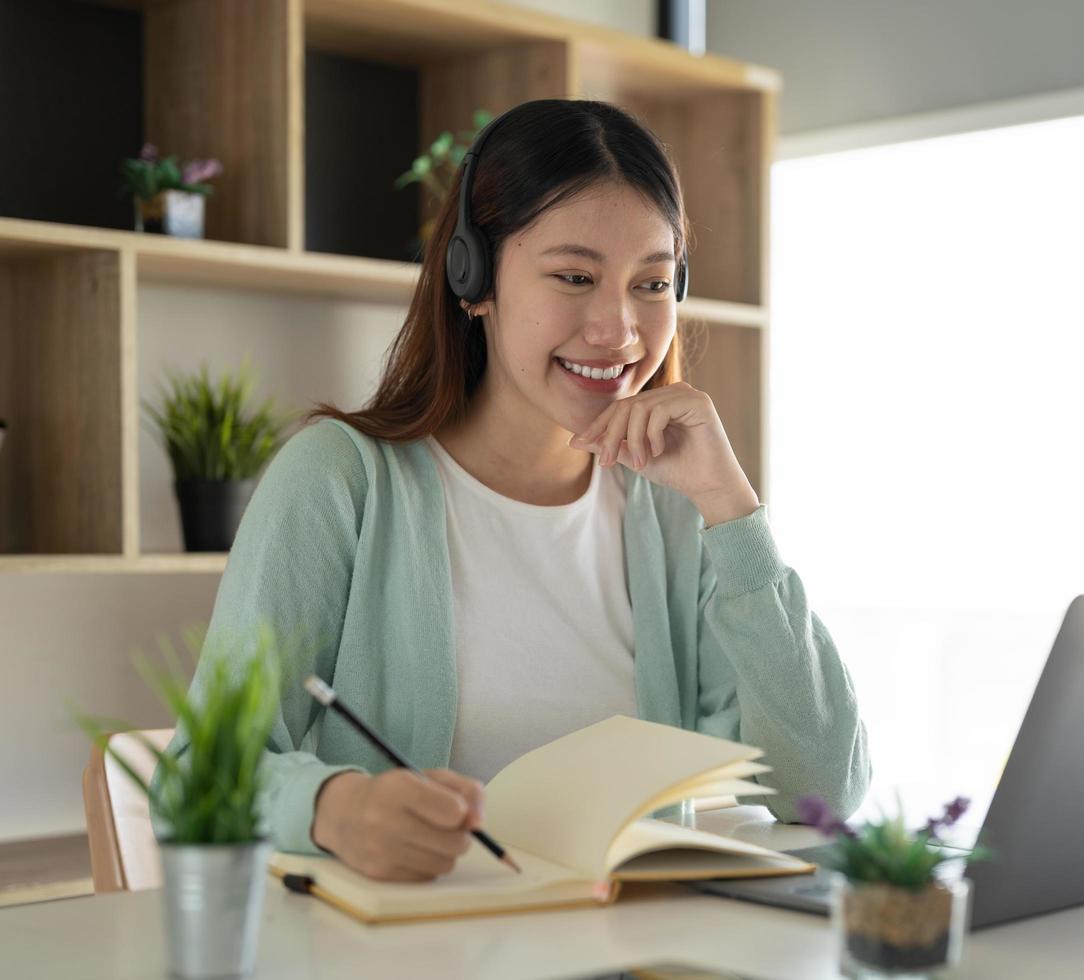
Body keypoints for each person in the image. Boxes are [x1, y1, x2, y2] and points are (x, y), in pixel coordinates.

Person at [157, 99, 870, 882]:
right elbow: (196, 778)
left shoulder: (675, 512)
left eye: (653, 283)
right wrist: (333, 809)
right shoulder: (339, 481)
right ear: (475, 278)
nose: (619, 329)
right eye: (574, 276)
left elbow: (823, 789)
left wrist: (734, 511)